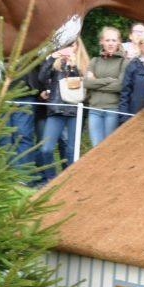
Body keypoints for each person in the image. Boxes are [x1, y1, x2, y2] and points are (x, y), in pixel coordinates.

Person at [36, 41, 88, 182]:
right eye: (66, 44)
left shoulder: (83, 63)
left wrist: (73, 67)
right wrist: (52, 57)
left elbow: (87, 84)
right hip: (56, 110)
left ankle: (70, 183)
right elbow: (41, 78)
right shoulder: (55, 63)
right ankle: (52, 180)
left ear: (78, 46)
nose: (69, 48)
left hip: (74, 110)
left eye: (72, 45)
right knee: (46, 149)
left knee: (72, 151)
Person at [85, 26, 130, 146]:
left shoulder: (124, 62)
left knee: (108, 148)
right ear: (101, 41)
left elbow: (120, 86)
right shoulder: (94, 61)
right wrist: (108, 80)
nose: (110, 43)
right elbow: (86, 83)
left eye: (114, 40)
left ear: (119, 42)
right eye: (108, 40)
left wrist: (96, 82)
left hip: (112, 109)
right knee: (96, 148)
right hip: (94, 110)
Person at [119, 33, 144, 119]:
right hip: (138, 113)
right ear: (140, 46)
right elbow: (125, 93)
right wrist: (124, 117)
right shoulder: (133, 65)